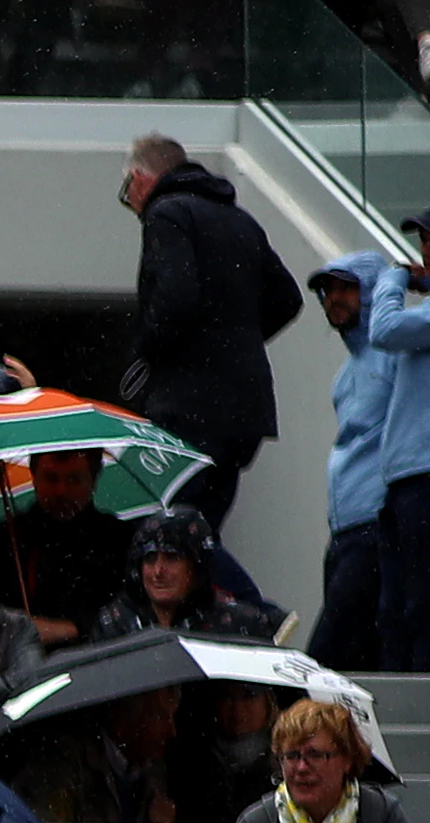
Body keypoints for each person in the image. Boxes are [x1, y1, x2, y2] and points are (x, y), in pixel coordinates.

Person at [312, 204, 430, 678]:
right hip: (406, 481)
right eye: (423, 240)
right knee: (393, 617)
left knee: (424, 611)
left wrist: (393, 280)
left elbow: (389, 329)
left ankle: (421, 715)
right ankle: (397, 716)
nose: (425, 250)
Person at [121, 135, 298, 534]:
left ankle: (248, 600)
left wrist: (147, 354)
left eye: (127, 190)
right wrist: (235, 339)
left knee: (170, 534)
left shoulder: (166, 213)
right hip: (242, 412)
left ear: (139, 179)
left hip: (189, 405)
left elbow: (175, 299)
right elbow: (287, 297)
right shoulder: (239, 220)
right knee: (201, 532)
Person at [238, 694, 418, 823]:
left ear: (347, 760)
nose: (301, 768)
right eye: (291, 756)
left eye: (315, 755)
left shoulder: (383, 817)